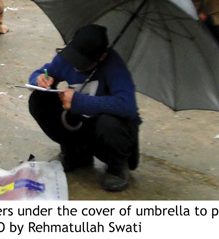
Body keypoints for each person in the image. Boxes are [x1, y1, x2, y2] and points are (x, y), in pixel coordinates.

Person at [28, 24, 140, 192]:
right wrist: (39, 79)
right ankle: (76, 154)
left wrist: (79, 101)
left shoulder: (114, 65)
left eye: (82, 65)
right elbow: (40, 73)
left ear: (101, 57)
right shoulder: (67, 57)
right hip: (80, 125)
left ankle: (117, 168)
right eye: (74, 60)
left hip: (110, 134)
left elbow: (127, 105)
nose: (75, 67)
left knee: (107, 121)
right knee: (39, 99)